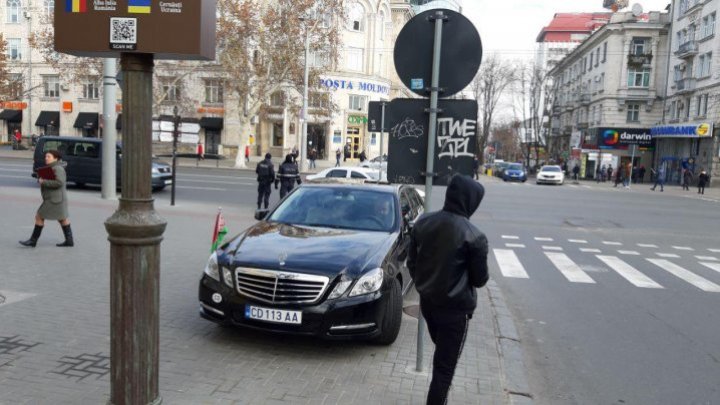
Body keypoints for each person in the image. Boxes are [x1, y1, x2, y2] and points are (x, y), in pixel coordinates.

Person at [407, 175, 489, 405]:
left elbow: (412, 262)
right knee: (444, 371)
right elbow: (480, 279)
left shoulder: (424, 222)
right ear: (471, 201)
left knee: (441, 360)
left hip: (429, 306)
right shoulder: (474, 236)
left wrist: (425, 285)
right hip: (455, 313)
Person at [19, 150, 74, 248]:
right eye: (46, 156)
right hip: (56, 199)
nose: (46, 158)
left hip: (54, 200)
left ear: (55, 158)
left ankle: (33, 241)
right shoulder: (52, 167)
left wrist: (43, 182)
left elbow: (59, 183)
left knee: (39, 216)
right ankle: (69, 241)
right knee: (62, 219)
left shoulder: (58, 168)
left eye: (49, 156)